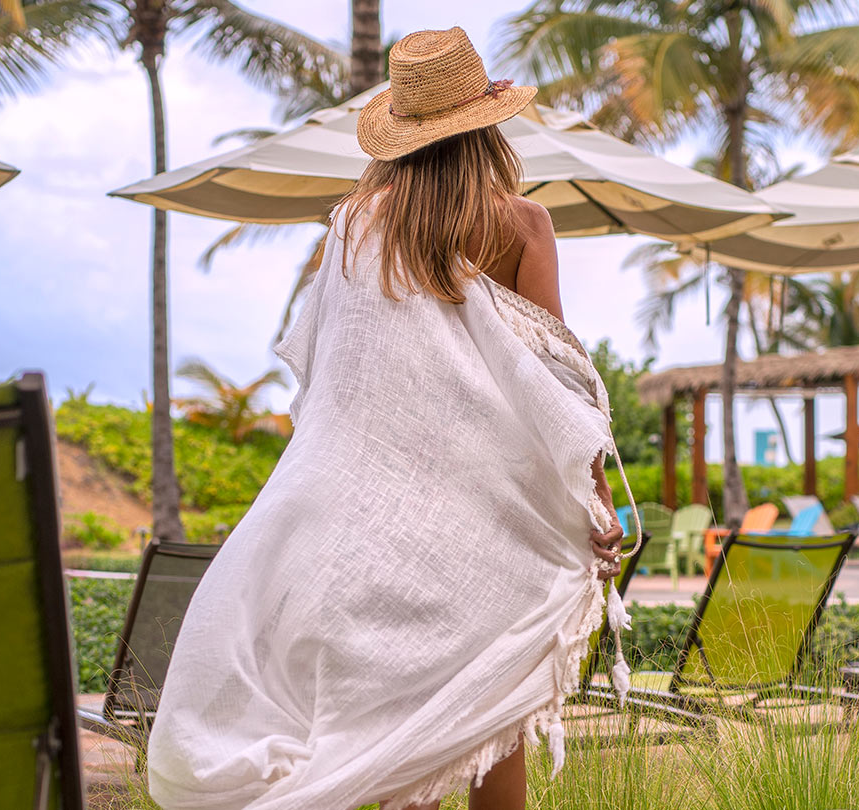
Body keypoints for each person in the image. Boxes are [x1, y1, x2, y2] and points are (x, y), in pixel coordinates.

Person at [147, 27, 630, 810]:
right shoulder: (522, 227)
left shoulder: (353, 227)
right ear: (486, 125)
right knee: (486, 731)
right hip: (484, 530)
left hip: (362, 531)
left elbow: (346, 387)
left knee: (397, 754)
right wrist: (596, 501)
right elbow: (559, 388)